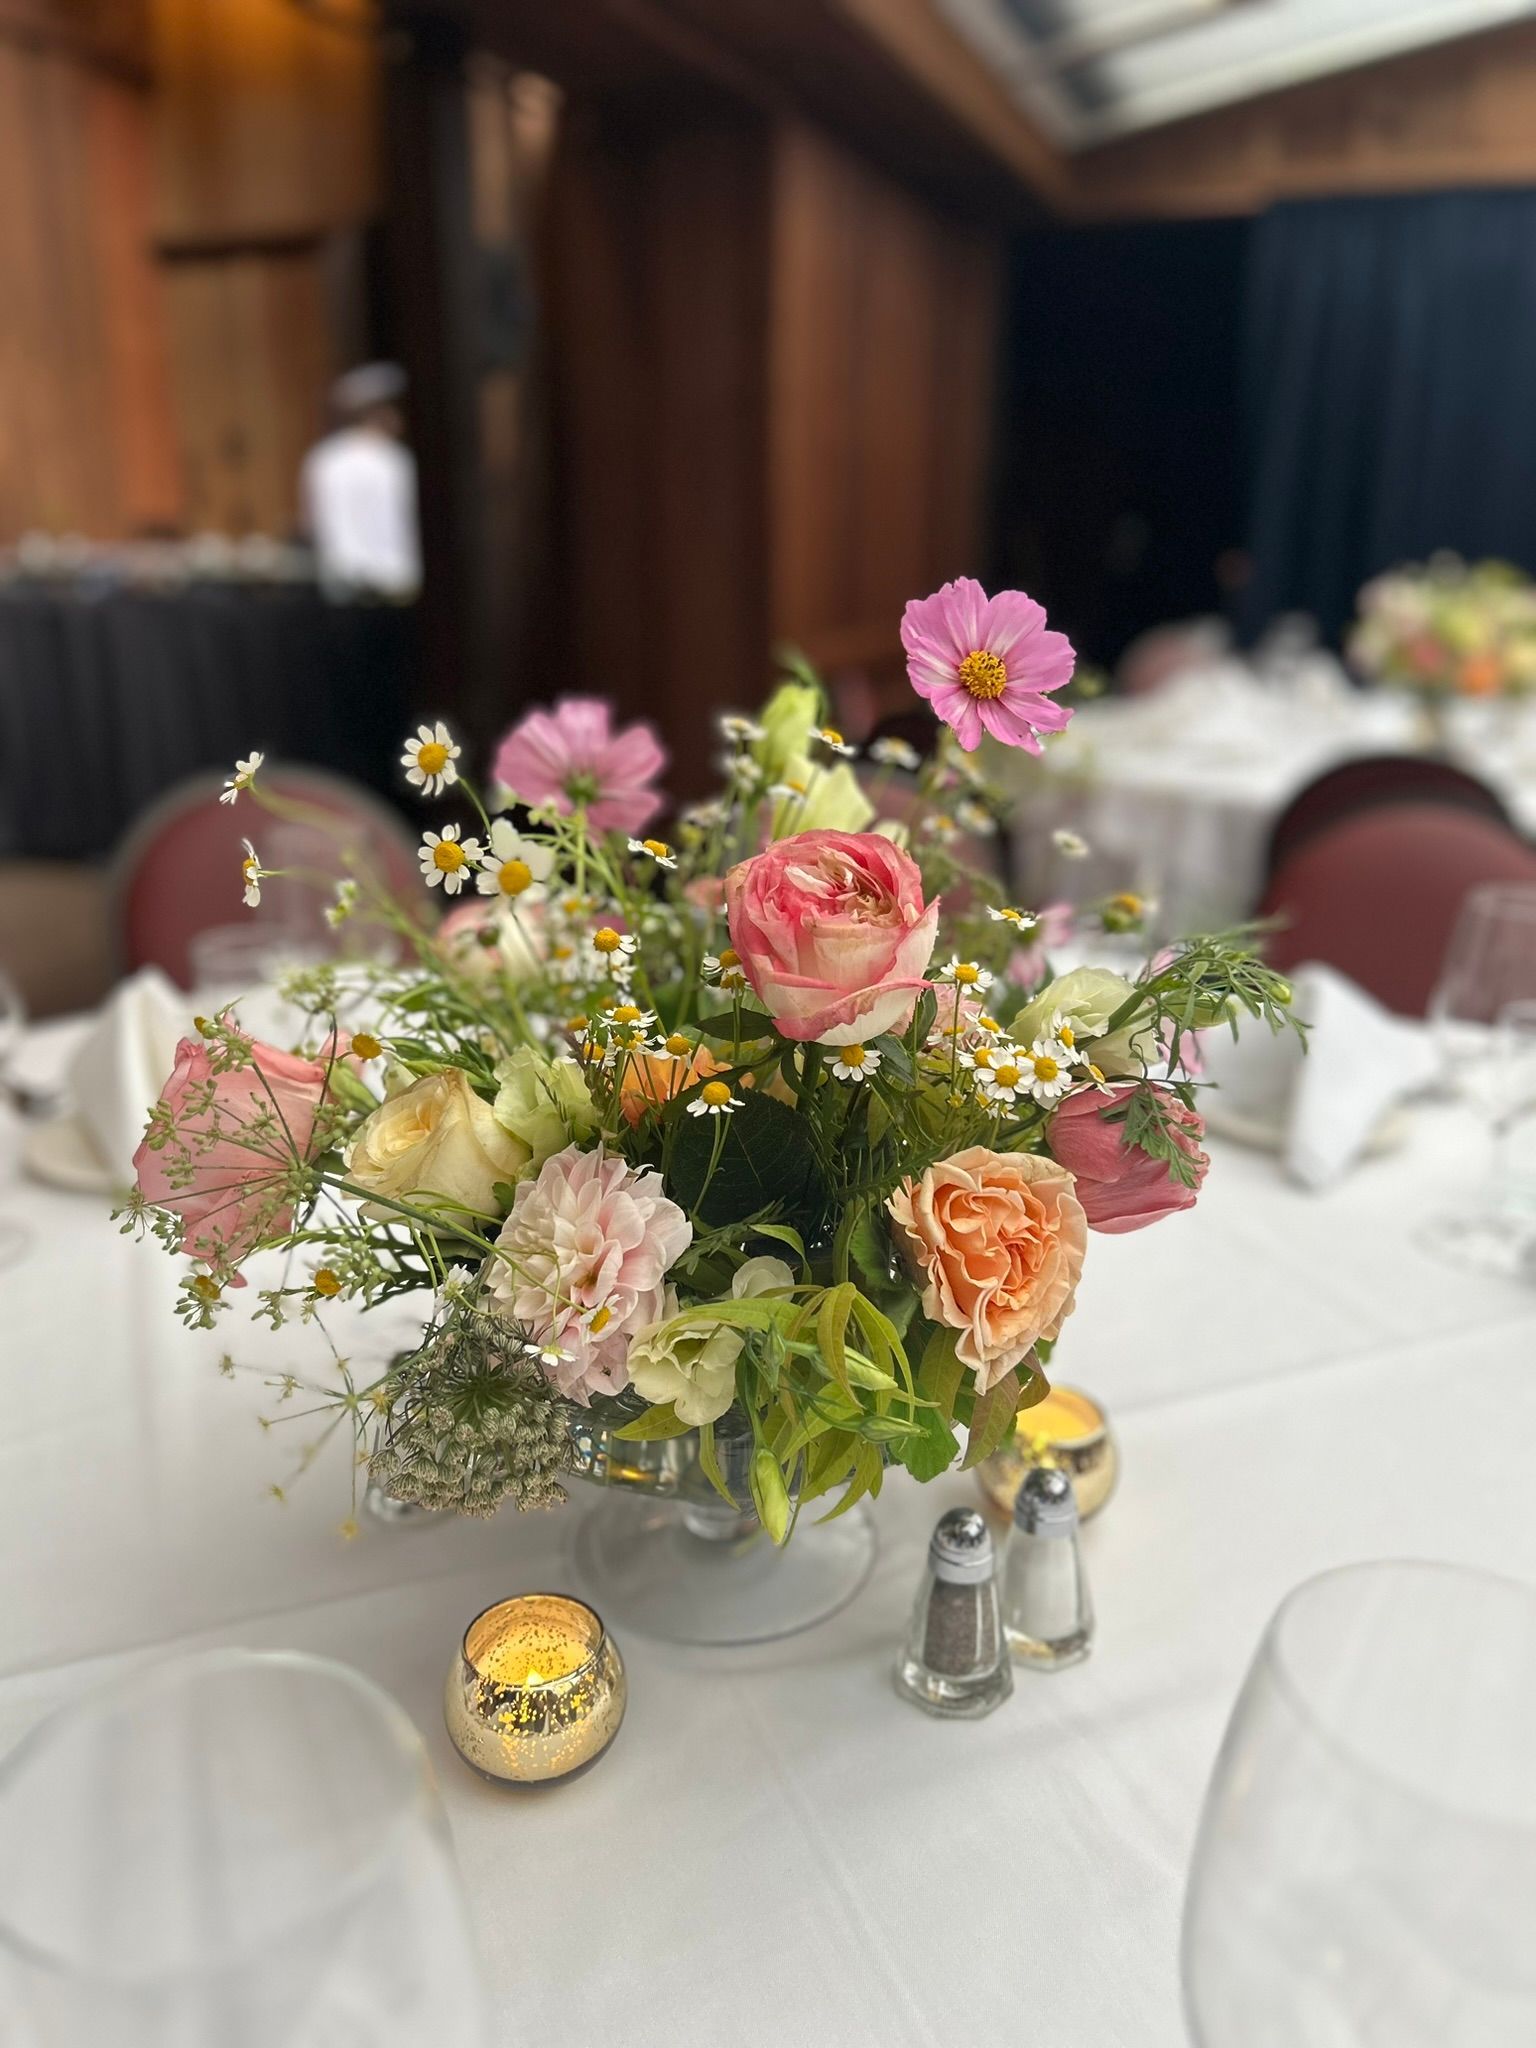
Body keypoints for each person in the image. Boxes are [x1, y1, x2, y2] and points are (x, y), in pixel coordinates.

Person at [301, 363, 421, 600]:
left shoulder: (323, 458)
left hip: (342, 589)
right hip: (399, 584)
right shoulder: (395, 460)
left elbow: (312, 524)